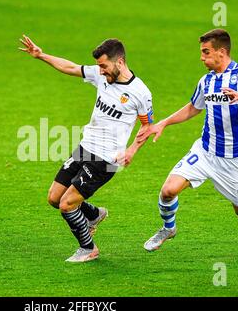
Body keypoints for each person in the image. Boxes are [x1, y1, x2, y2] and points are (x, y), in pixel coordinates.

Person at [136, 29, 238, 260]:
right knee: (168, 190)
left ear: (221, 52)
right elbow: (193, 107)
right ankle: (169, 228)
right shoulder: (207, 80)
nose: (202, 58)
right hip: (204, 151)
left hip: (232, 159)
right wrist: (163, 123)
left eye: (206, 52)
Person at [19, 35, 154, 262]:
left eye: (103, 66)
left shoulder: (140, 93)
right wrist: (41, 55)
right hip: (85, 148)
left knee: (67, 205)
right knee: (54, 198)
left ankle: (89, 248)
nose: (100, 71)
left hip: (106, 160)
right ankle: (93, 214)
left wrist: (132, 150)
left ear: (119, 62)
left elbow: (147, 125)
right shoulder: (101, 76)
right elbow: (70, 67)